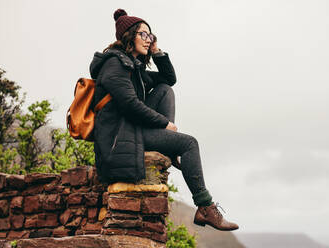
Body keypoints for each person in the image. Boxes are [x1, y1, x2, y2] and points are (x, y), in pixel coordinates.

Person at [89, 9, 238, 231]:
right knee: (189, 143)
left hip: (132, 129)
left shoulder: (133, 66)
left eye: (151, 36)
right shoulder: (115, 64)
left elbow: (169, 79)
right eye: (144, 35)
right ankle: (205, 207)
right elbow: (129, 105)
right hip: (120, 136)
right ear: (129, 36)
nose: (149, 40)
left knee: (164, 89)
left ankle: (168, 145)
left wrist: (156, 50)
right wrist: (164, 124)